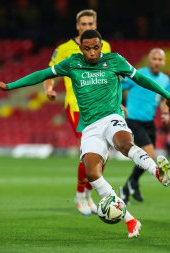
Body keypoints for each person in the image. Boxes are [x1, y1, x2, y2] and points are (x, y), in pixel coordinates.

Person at [0, 30, 170, 238]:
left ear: (101, 46)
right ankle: (129, 219)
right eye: (87, 48)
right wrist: (10, 86)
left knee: (123, 143)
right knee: (92, 172)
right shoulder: (72, 63)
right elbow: (43, 74)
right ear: (81, 48)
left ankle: (157, 172)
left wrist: (165, 94)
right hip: (90, 127)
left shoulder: (115, 61)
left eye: (96, 48)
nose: (92, 52)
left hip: (112, 116)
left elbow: (140, 78)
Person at [44, 9, 111, 216]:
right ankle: (80, 195)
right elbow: (50, 71)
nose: (88, 27)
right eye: (84, 24)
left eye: (91, 24)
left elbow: (109, 74)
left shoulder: (105, 46)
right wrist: (49, 88)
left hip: (102, 107)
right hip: (77, 107)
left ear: (96, 24)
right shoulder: (64, 49)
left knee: (102, 156)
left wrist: (117, 103)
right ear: (77, 26)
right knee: (89, 154)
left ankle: (89, 194)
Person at [119, 48, 170, 204]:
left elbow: (164, 99)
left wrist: (166, 113)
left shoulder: (165, 80)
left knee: (149, 156)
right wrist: (119, 104)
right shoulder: (137, 74)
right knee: (148, 154)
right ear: (149, 60)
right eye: (154, 58)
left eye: (159, 59)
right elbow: (118, 88)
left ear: (164, 62)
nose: (157, 62)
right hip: (133, 120)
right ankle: (131, 184)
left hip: (149, 122)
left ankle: (128, 186)